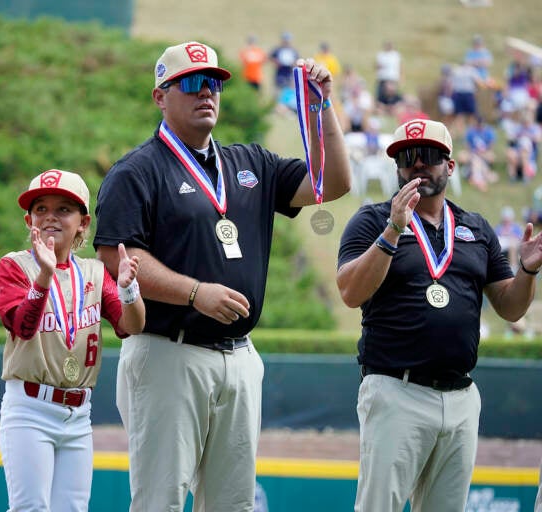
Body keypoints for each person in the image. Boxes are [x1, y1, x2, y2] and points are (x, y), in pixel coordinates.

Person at [94, 40, 352, 511]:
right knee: (160, 500)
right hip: (169, 353)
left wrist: (323, 108)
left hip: (239, 357)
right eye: (191, 84)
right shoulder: (136, 171)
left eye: (213, 83)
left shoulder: (250, 162)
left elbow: (332, 183)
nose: (206, 93)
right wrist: (194, 293)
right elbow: (119, 256)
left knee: (234, 505)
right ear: (160, 96)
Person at [336, 118, 542, 512]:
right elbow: (350, 292)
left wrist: (527, 271)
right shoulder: (370, 219)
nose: (417, 165)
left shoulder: (475, 228)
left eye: (428, 156)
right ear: (397, 169)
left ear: (449, 165)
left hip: (461, 396)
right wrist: (393, 231)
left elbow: (510, 306)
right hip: (397, 390)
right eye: (407, 157)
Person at [0, 169, 145, 511]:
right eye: (41, 208)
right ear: (28, 219)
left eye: (63, 209)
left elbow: (130, 326)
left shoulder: (93, 271)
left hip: (78, 412)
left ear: (82, 222)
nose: (50, 217)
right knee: (30, 508)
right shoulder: (14, 266)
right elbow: (23, 327)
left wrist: (128, 290)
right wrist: (45, 276)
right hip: (30, 408)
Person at [270, 31, 300, 100]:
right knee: (277, 93)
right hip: (279, 75)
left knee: (289, 94)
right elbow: (270, 57)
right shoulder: (278, 49)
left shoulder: (293, 50)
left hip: (289, 75)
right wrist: (276, 62)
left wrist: (293, 64)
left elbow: (298, 61)